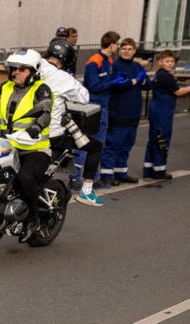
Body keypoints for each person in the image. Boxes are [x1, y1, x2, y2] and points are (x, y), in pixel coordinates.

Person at [0, 49, 53, 242]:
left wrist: (36, 126)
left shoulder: (41, 89)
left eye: (22, 69)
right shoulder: (5, 87)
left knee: (24, 177)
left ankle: (33, 218)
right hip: (7, 145)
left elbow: (45, 111)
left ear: (33, 72)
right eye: (14, 69)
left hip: (34, 148)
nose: (15, 73)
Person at [39, 40, 107, 207]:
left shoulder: (31, 68)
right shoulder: (62, 77)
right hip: (51, 135)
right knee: (95, 146)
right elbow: (84, 97)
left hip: (20, 130)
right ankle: (87, 191)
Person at [103, 38, 150, 184]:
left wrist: (142, 80)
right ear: (119, 50)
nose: (126, 51)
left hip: (134, 113)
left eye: (130, 49)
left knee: (126, 146)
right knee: (113, 145)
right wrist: (135, 81)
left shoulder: (137, 66)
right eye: (123, 48)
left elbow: (149, 85)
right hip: (118, 112)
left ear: (134, 51)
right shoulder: (115, 66)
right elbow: (118, 86)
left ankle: (121, 172)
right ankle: (106, 175)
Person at [83, 31, 122, 187]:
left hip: (103, 106)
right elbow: (92, 85)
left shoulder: (108, 60)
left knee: (99, 143)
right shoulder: (95, 61)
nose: (118, 47)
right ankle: (88, 179)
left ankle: (93, 177)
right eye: (117, 43)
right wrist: (112, 83)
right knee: (94, 143)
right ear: (111, 43)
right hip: (95, 107)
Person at [143, 50, 190, 180]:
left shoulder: (160, 74)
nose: (170, 64)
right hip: (163, 112)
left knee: (154, 139)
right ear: (160, 62)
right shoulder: (166, 76)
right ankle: (159, 170)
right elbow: (178, 92)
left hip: (157, 110)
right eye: (167, 61)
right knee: (161, 139)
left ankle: (148, 169)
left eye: (172, 61)